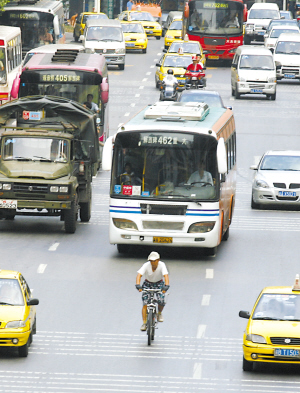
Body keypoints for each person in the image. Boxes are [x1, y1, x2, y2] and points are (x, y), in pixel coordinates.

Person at [136, 251, 170, 331]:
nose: (153, 263)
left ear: (158, 260)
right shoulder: (146, 265)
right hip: (148, 284)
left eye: (154, 261)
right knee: (145, 303)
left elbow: (166, 276)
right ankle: (144, 323)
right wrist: (138, 285)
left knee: (161, 300)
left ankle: (159, 313)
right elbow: (139, 275)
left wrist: (166, 286)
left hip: (159, 284)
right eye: (151, 261)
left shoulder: (162, 265)